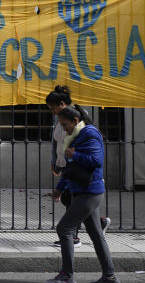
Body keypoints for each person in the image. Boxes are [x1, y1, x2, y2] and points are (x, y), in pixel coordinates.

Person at [46, 105, 122, 283]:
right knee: (96, 235)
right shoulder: (75, 136)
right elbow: (70, 169)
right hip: (82, 190)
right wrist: (60, 189)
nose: (63, 129)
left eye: (65, 125)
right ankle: (110, 277)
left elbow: (96, 160)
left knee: (64, 229)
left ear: (75, 121)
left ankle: (67, 276)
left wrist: (75, 154)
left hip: (89, 192)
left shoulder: (89, 134)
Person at [46, 85, 110, 247]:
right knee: (72, 200)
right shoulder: (60, 118)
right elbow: (57, 141)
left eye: (53, 107)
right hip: (66, 164)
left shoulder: (77, 116)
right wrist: (55, 161)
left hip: (76, 166)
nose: (52, 111)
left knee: (71, 199)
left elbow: (84, 143)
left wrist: (74, 158)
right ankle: (99, 224)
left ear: (62, 103)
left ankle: (72, 236)